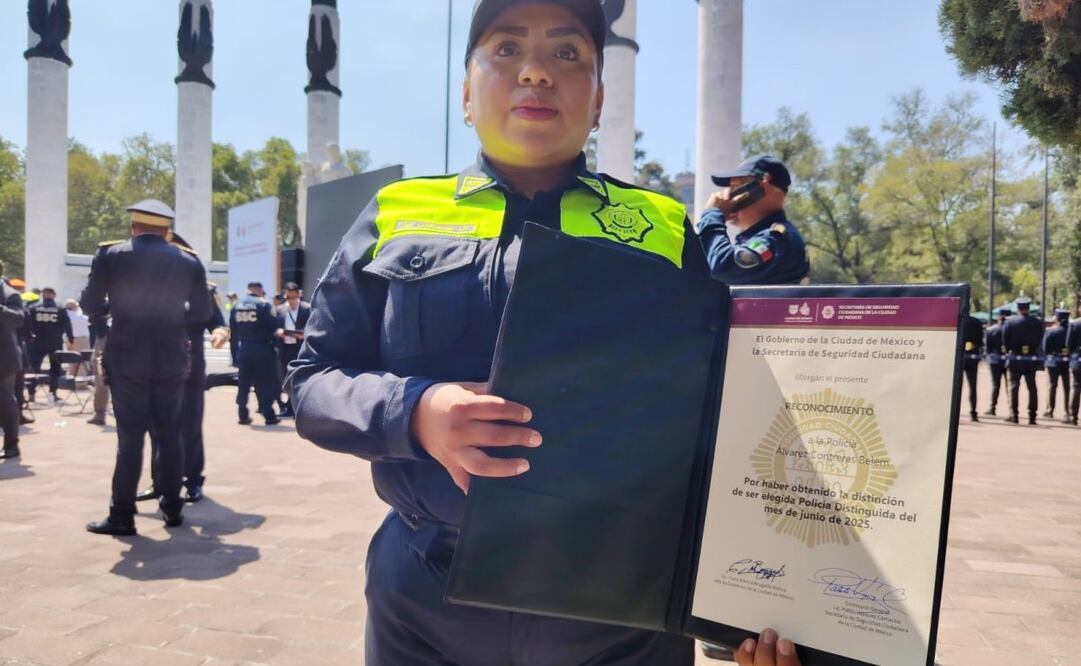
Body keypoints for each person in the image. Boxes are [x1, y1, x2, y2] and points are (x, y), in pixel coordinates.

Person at [288, 2, 799, 664]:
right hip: (424, 592)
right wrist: (415, 411)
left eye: (566, 53)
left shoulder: (662, 224)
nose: (535, 72)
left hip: (623, 599)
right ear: (466, 94)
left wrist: (750, 609)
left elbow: (720, 413)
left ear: (599, 100)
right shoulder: (396, 211)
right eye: (505, 50)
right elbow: (313, 383)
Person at [80, 199, 211, 536]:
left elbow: (90, 303)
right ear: (167, 230)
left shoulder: (111, 254)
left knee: (130, 437)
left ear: (133, 226)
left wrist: (112, 310)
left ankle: (122, 514)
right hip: (171, 358)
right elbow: (201, 314)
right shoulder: (189, 260)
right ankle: (172, 507)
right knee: (170, 435)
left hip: (126, 357)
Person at [698, 155, 810, 286]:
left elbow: (725, 267)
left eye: (735, 186)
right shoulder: (758, 238)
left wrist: (712, 215)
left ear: (763, 185)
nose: (727, 196)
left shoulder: (776, 239)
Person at [229, 281, 280, 426]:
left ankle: (242, 414)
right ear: (258, 290)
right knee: (264, 382)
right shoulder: (263, 304)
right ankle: (268, 415)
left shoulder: (236, 305)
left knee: (243, 383)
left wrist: (234, 356)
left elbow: (233, 333)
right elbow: (274, 327)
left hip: (244, 348)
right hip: (263, 348)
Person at [26, 286, 73, 404]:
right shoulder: (60, 308)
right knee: (55, 369)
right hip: (54, 343)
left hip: (36, 343)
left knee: (33, 368)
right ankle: (53, 394)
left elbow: (27, 324)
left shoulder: (33, 308)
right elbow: (67, 324)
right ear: (54, 295)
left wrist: (27, 337)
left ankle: (31, 393)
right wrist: (70, 338)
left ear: (42, 294)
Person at [1003, 296, 1044, 425]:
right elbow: (1040, 339)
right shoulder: (1037, 322)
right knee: (1032, 387)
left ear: (1018, 308)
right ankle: (1032, 416)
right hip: (1031, 358)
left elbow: (1005, 341)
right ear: (1028, 307)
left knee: (1014, 387)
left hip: (1015, 358)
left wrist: (1009, 350)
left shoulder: (1010, 322)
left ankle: (1014, 415)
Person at [0, 263, 25, 459]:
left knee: (5, 400)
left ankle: (11, 444)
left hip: (4, 356)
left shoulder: (10, 294)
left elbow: (19, 318)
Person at [274, 282, 310, 418]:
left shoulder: (307, 309)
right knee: (286, 377)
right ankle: (289, 407)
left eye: (294, 297)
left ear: (299, 295)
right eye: (288, 297)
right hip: (284, 348)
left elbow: (312, 327)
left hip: (300, 348)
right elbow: (274, 327)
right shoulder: (280, 309)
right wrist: (278, 332)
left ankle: (299, 408)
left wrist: (303, 334)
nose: (291, 300)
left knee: (299, 377)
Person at [1042, 308, 1071, 420]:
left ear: (1057, 318)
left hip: (1053, 361)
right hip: (1068, 361)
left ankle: (1049, 410)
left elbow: (1045, 348)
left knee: (1052, 386)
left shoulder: (1051, 331)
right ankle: (1068, 411)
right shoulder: (1071, 330)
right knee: (1067, 388)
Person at [86, 307, 110, 425]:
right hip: (107, 339)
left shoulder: (104, 306)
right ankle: (100, 413)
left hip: (105, 339)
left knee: (101, 379)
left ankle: (100, 413)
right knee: (101, 379)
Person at [984, 308, 1008, 416]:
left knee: (995, 385)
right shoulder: (1011, 329)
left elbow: (987, 349)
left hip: (994, 360)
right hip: (1008, 360)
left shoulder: (990, 330)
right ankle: (1011, 410)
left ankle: (992, 408)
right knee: (1010, 386)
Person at [960, 312, 983, 422]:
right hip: (973, 357)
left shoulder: (958, 321)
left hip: (959, 357)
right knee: (972, 386)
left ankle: (955, 412)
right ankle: (973, 413)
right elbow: (981, 341)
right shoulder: (977, 322)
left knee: (957, 387)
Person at [1067, 307, 1081, 426]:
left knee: (1076, 387)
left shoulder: (1075, 324)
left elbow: (1069, 344)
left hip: (1078, 359)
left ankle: (1073, 416)